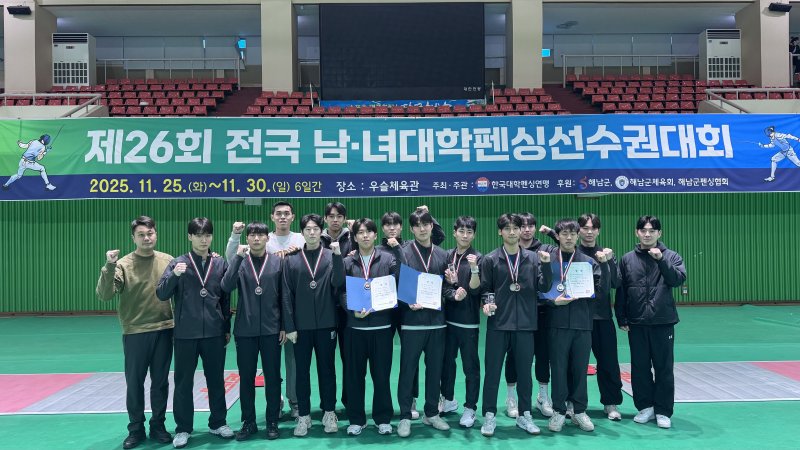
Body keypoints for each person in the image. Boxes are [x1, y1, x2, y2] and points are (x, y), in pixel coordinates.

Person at [95, 216, 174, 449]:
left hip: (164, 329)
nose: (146, 238)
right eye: (141, 235)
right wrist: (109, 266)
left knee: (160, 383)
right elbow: (105, 295)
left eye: (150, 233)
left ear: (156, 234)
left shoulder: (168, 261)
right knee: (135, 383)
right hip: (135, 332)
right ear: (133, 238)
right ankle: (136, 429)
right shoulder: (122, 265)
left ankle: (158, 426)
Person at [156, 218, 233, 449]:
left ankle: (218, 423)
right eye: (198, 235)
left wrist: (226, 328)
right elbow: (161, 293)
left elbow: (225, 298)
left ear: (212, 237)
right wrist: (174, 275)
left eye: (207, 235)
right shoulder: (178, 263)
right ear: (190, 236)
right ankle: (183, 428)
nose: (203, 240)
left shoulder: (219, 263)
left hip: (214, 333)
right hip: (185, 335)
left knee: (216, 380)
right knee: (183, 383)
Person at [225, 201, 305, 419]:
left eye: (286, 213)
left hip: (292, 311)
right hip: (264, 315)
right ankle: (275, 403)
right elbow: (232, 258)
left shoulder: (301, 238)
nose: (282, 217)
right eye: (278, 213)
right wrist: (234, 236)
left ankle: (295, 401)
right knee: (271, 368)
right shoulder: (262, 237)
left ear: (293, 216)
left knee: (293, 361)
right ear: (272, 217)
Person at [479, 213, 552, 437]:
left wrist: (546, 265)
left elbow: (545, 287)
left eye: (516, 228)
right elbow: (485, 289)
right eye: (507, 228)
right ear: (500, 232)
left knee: (524, 374)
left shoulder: (534, 258)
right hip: (498, 325)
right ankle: (489, 416)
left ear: (521, 231)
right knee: (492, 373)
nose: (512, 232)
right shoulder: (490, 259)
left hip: (525, 325)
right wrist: (486, 304)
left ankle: (525, 415)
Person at [615, 215, 686, 430]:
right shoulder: (627, 259)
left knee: (664, 368)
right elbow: (621, 290)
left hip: (663, 321)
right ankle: (645, 407)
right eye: (643, 230)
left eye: (652, 231)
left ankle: (663, 410)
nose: (647, 234)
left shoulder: (671, 256)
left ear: (659, 233)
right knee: (640, 367)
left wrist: (661, 260)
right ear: (637, 233)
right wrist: (622, 316)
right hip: (636, 322)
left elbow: (677, 280)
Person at [540, 218, 609, 433]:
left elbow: (602, 291)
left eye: (572, 234)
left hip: (582, 324)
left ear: (577, 236)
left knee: (580, 369)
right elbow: (540, 290)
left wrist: (605, 265)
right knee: (558, 369)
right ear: (557, 236)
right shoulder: (548, 259)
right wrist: (553, 302)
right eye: (564, 234)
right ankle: (559, 411)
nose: (568, 237)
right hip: (557, 323)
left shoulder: (589, 262)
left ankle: (579, 410)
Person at [378, 206, 445, 420]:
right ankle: (399, 411)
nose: (391, 228)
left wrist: (430, 214)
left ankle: (421, 405)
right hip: (391, 311)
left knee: (424, 365)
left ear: (401, 227)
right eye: (387, 225)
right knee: (399, 363)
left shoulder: (412, 247)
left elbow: (437, 238)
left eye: (395, 224)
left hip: (421, 315)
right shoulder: (387, 251)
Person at [220, 222, 285, 441]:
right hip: (245, 330)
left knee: (273, 377)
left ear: (268, 238)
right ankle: (248, 422)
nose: (256, 239)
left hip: (271, 329)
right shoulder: (240, 262)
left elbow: (284, 296)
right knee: (246, 378)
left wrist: (284, 326)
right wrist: (237, 258)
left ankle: (272, 421)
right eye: (252, 235)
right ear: (247, 239)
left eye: (260, 235)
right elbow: (226, 286)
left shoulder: (278, 262)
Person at [282, 214, 345, 436]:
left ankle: (329, 412)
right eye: (307, 229)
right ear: (302, 233)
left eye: (315, 229)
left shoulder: (330, 255)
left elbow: (339, 282)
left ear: (321, 231)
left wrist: (338, 257)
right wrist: (290, 326)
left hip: (327, 325)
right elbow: (286, 295)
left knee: (327, 370)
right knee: (301, 372)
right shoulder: (291, 260)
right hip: (301, 328)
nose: (311, 233)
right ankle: (304, 416)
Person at [396, 208, 455, 438]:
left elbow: (447, 287)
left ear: (432, 226)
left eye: (426, 224)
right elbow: (395, 283)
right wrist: (406, 301)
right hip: (412, 322)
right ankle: (404, 415)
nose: (422, 229)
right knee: (407, 370)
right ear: (411, 229)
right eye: (417, 225)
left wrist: (454, 285)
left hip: (437, 323)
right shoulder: (403, 252)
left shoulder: (442, 254)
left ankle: (431, 413)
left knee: (434, 370)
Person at [339, 218, 398, 436]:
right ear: (354, 237)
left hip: (382, 328)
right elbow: (341, 291)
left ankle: (383, 418)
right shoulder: (347, 262)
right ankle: (356, 419)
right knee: (355, 377)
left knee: (381, 376)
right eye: (360, 232)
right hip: (355, 329)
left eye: (369, 232)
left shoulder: (388, 259)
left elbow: (396, 283)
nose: (365, 235)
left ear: (375, 235)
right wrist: (351, 309)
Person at [505, 212, 554, 419]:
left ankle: (543, 397)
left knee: (543, 355)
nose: (526, 230)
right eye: (522, 226)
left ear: (535, 228)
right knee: (513, 356)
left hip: (541, 311)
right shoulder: (510, 249)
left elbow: (567, 244)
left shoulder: (545, 249)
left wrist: (551, 232)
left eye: (530, 226)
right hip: (516, 313)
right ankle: (511, 397)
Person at [438, 216, 482, 428]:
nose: (465, 235)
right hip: (447, 321)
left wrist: (473, 269)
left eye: (469, 232)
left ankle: (470, 407)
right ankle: (447, 400)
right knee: (446, 363)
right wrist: (452, 290)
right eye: (461, 231)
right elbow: (443, 287)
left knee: (470, 367)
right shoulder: (447, 255)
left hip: (468, 322)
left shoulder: (478, 258)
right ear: (454, 232)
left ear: (474, 235)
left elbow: (476, 289)